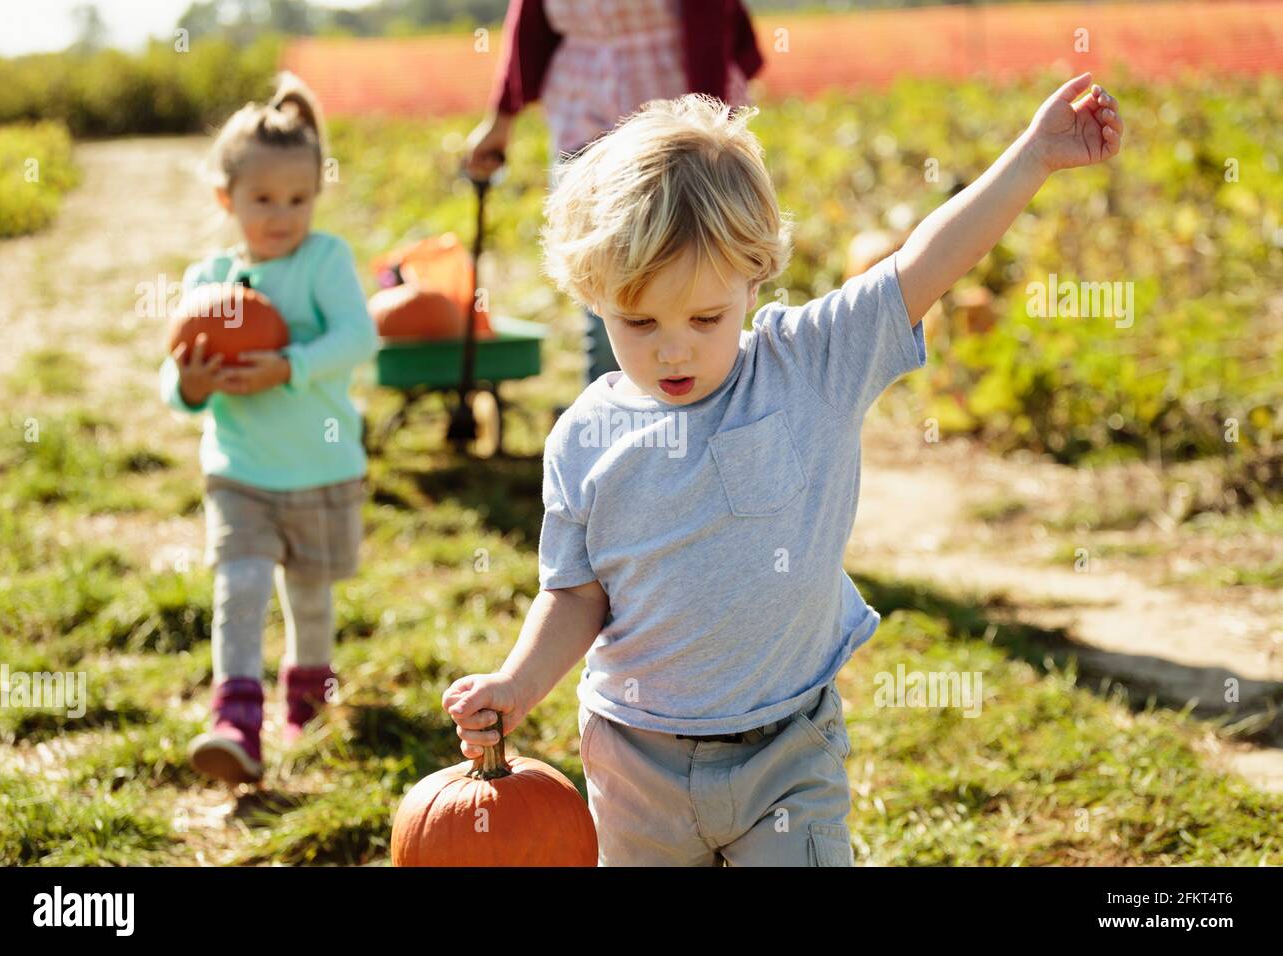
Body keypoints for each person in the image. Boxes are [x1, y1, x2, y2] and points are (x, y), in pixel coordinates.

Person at [442, 74, 1123, 864]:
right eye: (639, 321)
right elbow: (575, 594)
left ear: (754, 275)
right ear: (593, 296)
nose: (673, 348)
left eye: (705, 318)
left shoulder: (810, 364)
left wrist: (1034, 156)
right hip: (637, 765)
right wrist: (519, 684)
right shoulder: (583, 439)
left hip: (787, 751)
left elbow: (925, 263)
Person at [159, 72, 379, 786]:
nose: (282, 215)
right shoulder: (209, 280)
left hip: (320, 468)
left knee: (310, 597)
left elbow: (358, 337)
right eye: (263, 200)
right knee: (241, 587)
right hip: (240, 469)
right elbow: (177, 382)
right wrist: (191, 385)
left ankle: (308, 700)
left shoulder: (323, 261)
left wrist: (286, 367)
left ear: (316, 194)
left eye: (298, 199)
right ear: (227, 199)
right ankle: (236, 721)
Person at [465, 0, 764, 390]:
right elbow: (531, 23)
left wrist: (713, 139)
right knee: (613, 294)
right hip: (583, 123)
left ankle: (717, 420)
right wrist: (501, 119)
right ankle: (610, 427)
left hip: (676, 132)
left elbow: (710, 20)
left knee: (699, 283)